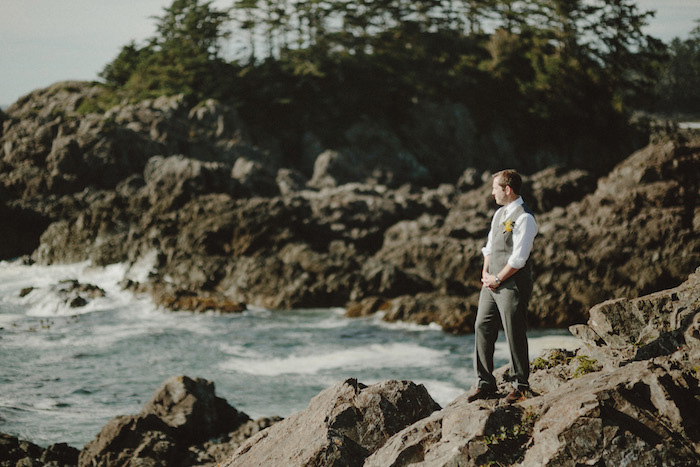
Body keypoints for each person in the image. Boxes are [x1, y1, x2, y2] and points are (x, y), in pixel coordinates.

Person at [467, 169, 538, 404]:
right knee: (482, 326)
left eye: (495, 188)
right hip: (492, 283)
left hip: (512, 284)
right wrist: (486, 273)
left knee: (513, 331)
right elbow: (489, 247)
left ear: (507, 189)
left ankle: (520, 385)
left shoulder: (525, 218)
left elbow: (519, 259)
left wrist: (498, 278)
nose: (492, 193)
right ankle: (484, 382)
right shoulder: (498, 215)